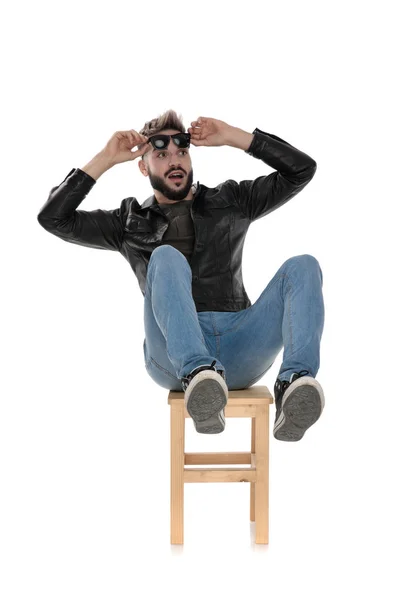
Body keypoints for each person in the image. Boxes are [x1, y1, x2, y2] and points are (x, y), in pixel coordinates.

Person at [37, 109, 325, 441]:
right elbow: (53, 218)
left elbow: (302, 169)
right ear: (143, 166)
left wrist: (234, 137)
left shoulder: (231, 200)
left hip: (241, 344)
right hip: (171, 357)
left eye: (182, 152)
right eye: (161, 154)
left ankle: (293, 386)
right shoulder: (126, 221)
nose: (175, 161)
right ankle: (198, 377)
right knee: (166, 257)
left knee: (303, 266)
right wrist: (105, 158)